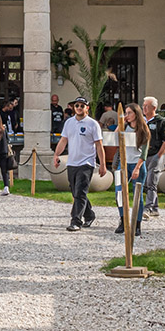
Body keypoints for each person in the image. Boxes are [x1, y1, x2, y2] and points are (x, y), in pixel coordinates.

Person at [52, 97, 106, 231]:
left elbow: (99, 145)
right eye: (77, 105)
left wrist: (103, 164)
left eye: (82, 106)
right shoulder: (69, 123)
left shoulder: (93, 124)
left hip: (87, 162)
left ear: (87, 108)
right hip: (72, 162)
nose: (79, 108)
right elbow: (63, 140)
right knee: (75, 191)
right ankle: (89, 215)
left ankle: (76, 221)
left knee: (80, 191)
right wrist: (56, 155)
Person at [114, 103, 150, 236]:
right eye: (126, 113)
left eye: (129, 113)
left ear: (136, 113)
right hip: (123, 163)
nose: (127, 115)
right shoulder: (125, 127)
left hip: (136, 163)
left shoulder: (143, 130)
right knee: (119, 192)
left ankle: (137, 224)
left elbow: (144, 153)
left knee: (137, 195)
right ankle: (123, 220)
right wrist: (121, 123)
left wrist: (137, 168)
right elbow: (114, 138)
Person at [141, 96, 165, 218]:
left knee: (151, 181)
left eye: (146, 106)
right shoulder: (141, 120)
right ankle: (155, 207)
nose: (144, 108)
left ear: (153, 108)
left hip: (155, 154)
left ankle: (148, 207)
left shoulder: (160, 121)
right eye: (143, 106)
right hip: (143, 155)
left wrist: (158, 155)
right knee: (145, 182)